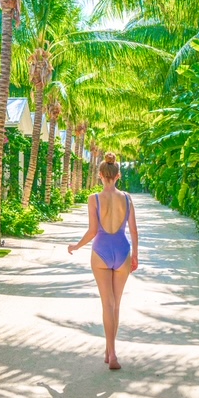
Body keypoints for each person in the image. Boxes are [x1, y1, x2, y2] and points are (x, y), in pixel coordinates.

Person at [68, 152, 139, 370]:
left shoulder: (94, 199)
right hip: (122, 250)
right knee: (116, 304)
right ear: (118, 175)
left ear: (100, 175)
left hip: (100, 252)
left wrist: (77, 246)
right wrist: (135, 254)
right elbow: (134, 231)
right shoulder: (127, 198)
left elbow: (92, 231)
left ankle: (112, 352)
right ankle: (111, 352)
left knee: (106, 304)